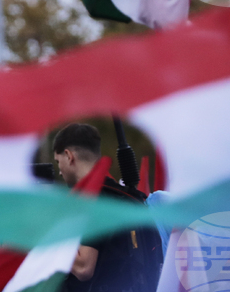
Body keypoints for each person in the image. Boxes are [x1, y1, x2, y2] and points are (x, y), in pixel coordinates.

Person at [52, 124, 163, 292]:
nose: (59, 171)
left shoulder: (89, 199)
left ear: (69, 156)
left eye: (57, 161)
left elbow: (84, 267)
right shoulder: (131, 197)